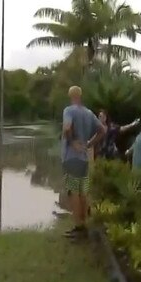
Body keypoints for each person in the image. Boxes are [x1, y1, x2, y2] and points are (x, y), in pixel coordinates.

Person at [61, 86, 104, 239]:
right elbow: (102, 130)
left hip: (72, 158)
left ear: (70, 96)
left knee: (74, 192)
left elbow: (67, 128)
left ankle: (79, 227)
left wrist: (72, 142)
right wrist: (90, 144)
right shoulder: (89, 113)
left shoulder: (69, 110)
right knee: (83, 191)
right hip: (84, 159)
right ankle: (84, 224)